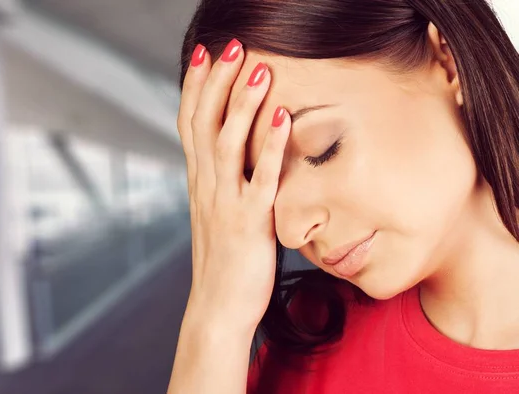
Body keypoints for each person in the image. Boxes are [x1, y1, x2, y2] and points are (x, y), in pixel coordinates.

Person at [166, 0, 519, 393]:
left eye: (324, 149)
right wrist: (215, 322)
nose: (291, 231)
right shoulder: (310, 345)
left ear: (448, 60)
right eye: (259, 183)